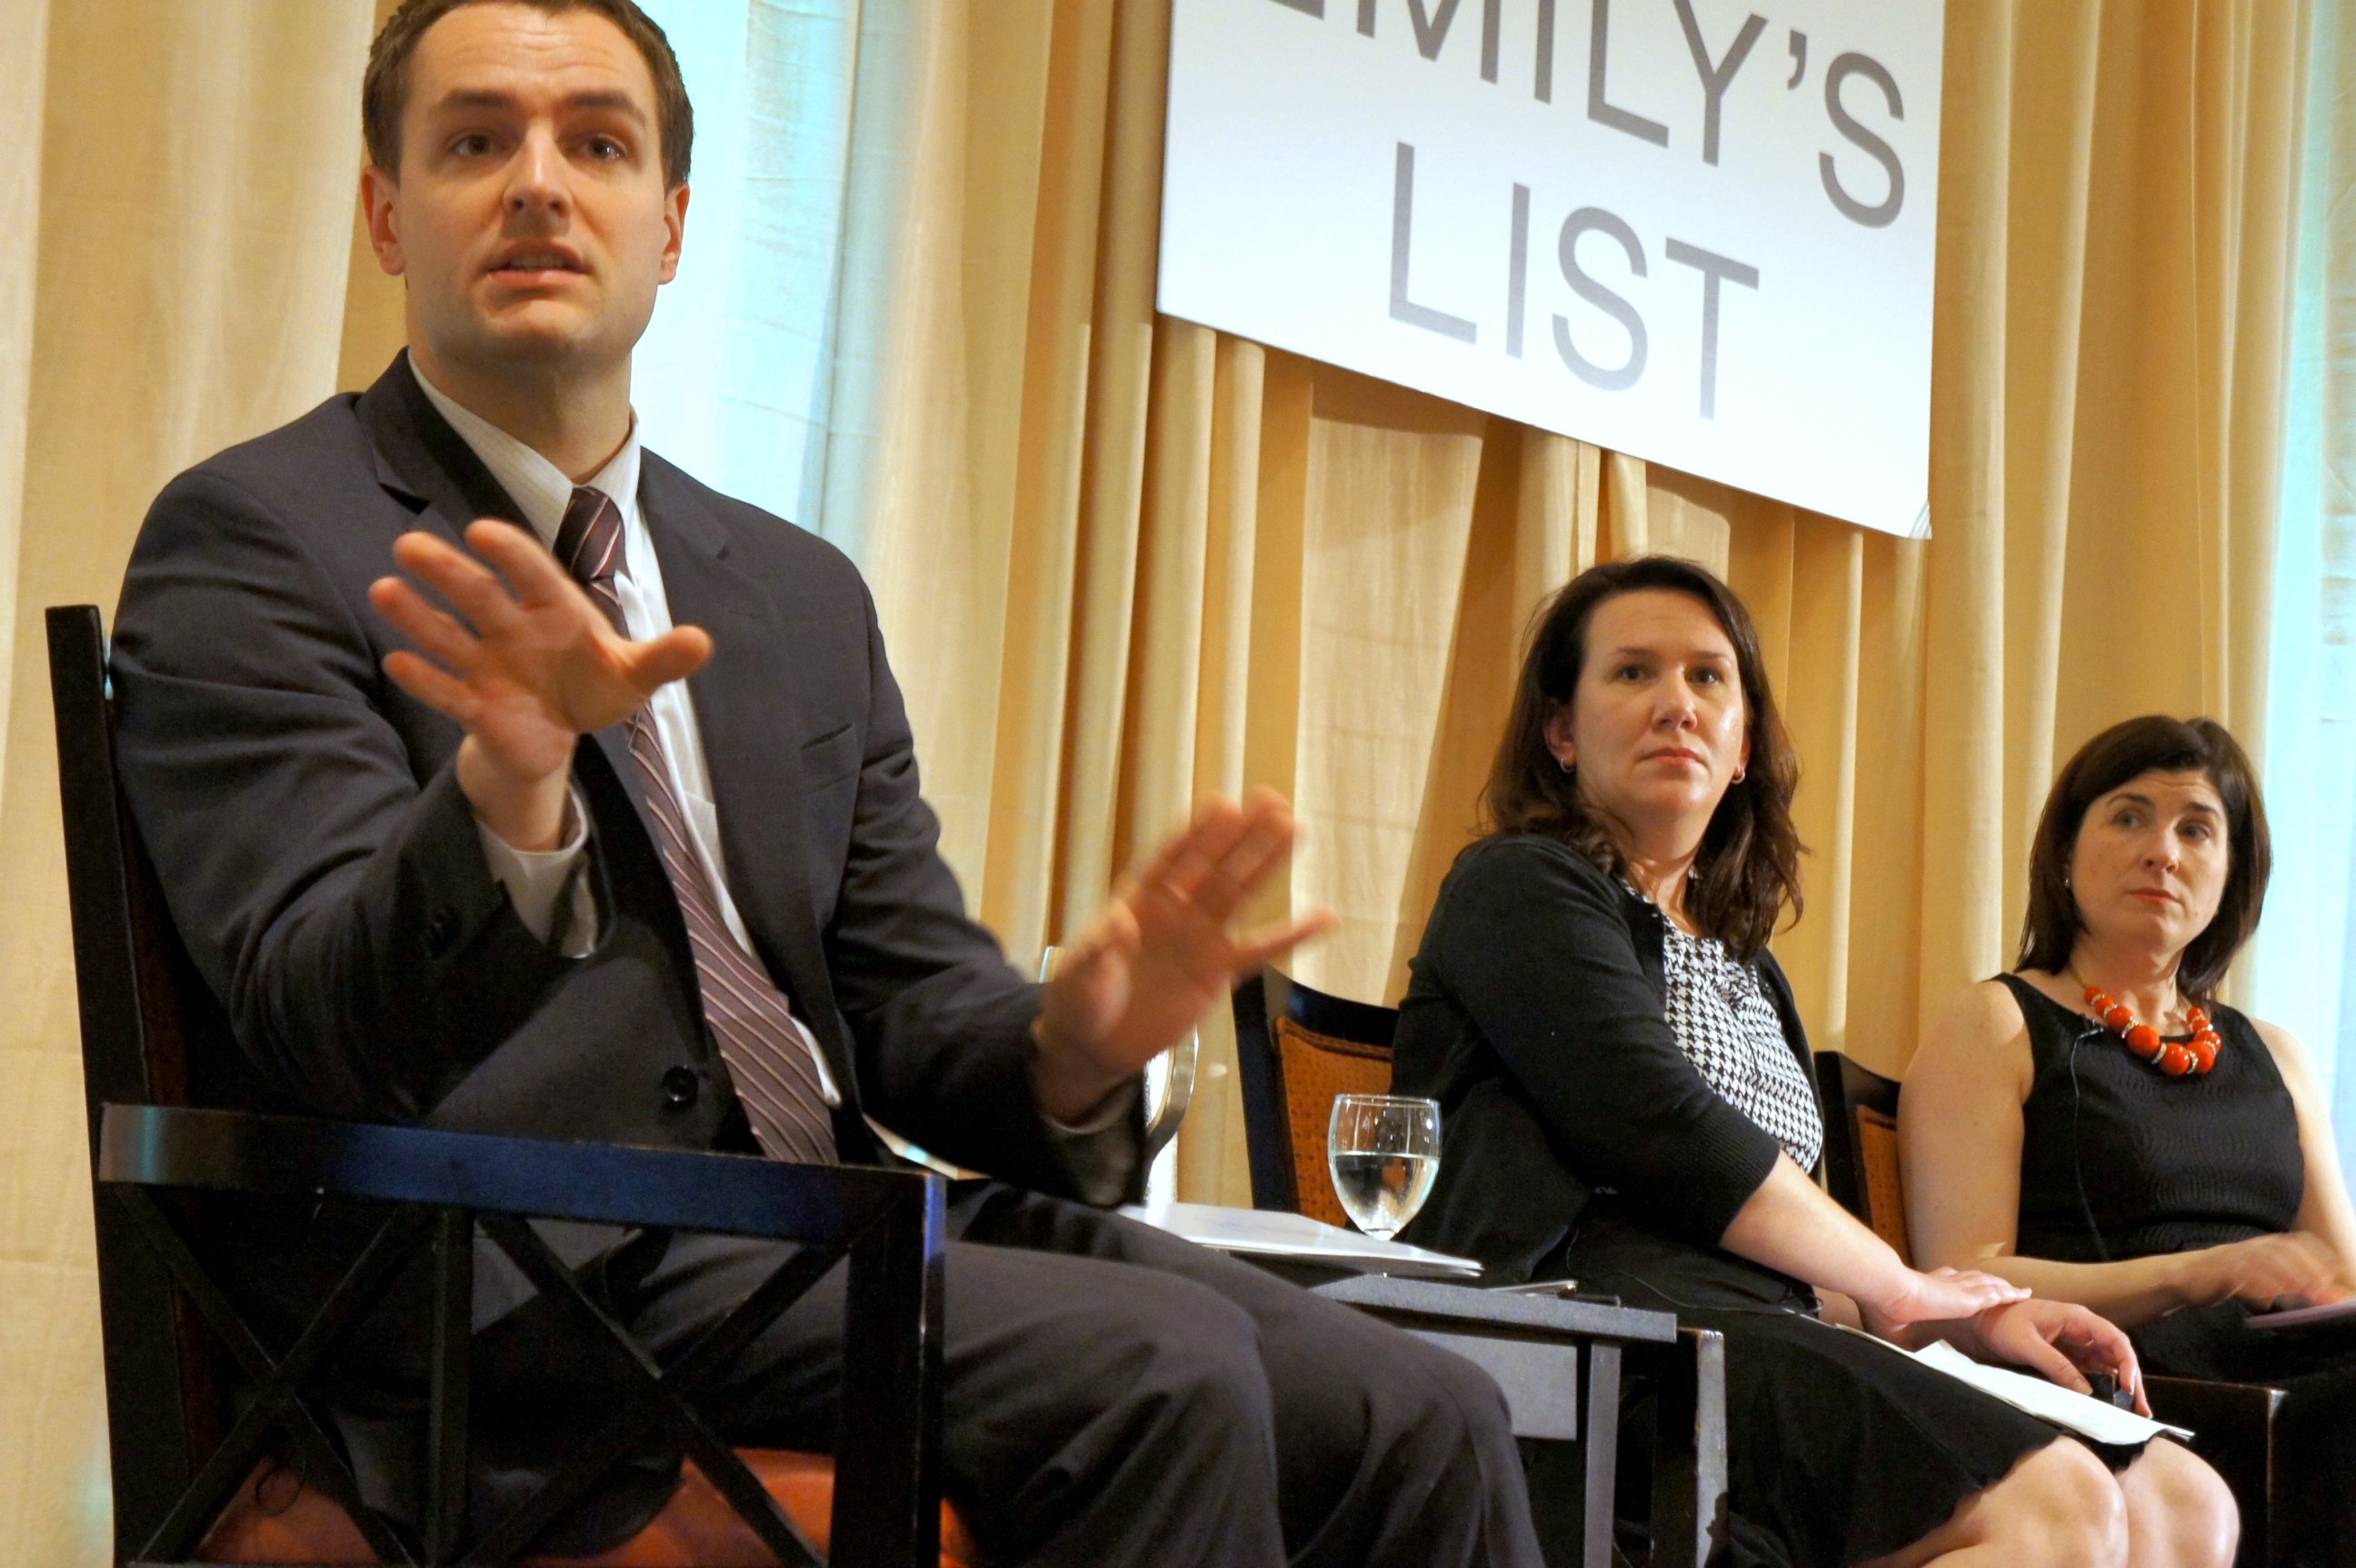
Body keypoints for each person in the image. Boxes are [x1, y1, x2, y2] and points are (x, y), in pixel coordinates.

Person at [105, 2, 1545, 1563]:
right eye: (474, 142)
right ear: (389, 214)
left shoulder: (789, 591)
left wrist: (1078, 1044)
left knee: (1425, 1403)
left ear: (669, 228)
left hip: (828, 1227)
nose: (537, 183)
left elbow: (915, 1018)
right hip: (505, 1275)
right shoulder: (257, 537)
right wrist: (508, 802)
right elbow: (315, 1016)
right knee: (1167, 1378)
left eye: (596, 143)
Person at [1393, 555, 2238, 1568]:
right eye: (1632, 674)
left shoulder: (1751, 970)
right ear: (1561, 732)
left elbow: (1818, 1268)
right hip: (1603, 1338)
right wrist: (1901, 1287)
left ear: (1743, 744)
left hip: (1768, 1338)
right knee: (2053, 1507)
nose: (1676, 704)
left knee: (2187, 1505)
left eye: (1709, 678)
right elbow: (1666, 1131)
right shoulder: (1519, 887)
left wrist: (1965, 1321)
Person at [1906, 714, 2356, 1564]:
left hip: (2286, 1379)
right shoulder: (2000, 1021)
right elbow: (1965, 1275)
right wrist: (2200, 1271)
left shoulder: (2277, 1054)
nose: (2164, 851)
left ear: (2232, 873)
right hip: (2120, 1383)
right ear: (2066, 854)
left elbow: (2339, 1276)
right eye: (2129, 815)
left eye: (2196, 828)